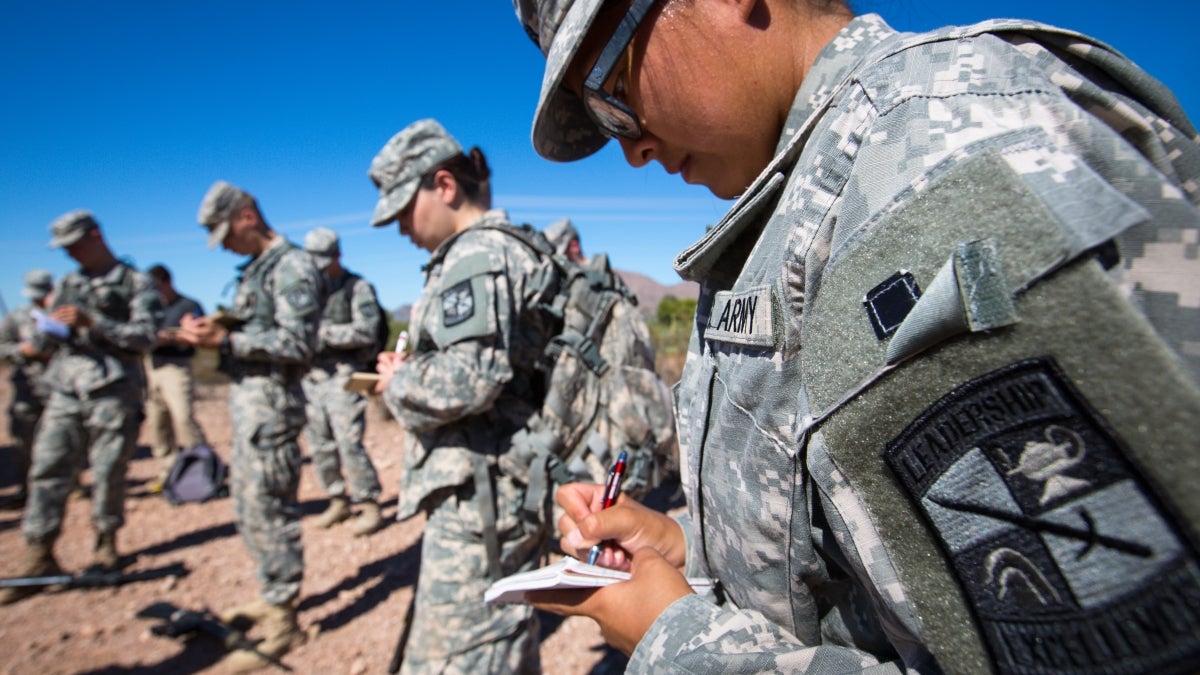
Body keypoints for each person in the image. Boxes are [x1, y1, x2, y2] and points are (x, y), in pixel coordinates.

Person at [515, 1, 1200, 673]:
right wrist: (677, 544)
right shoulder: (810, 199)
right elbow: (867, 558)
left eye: (612, 91)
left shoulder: (926, 155)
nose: (632, 147)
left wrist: (676, 641)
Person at [369, 119, 558, 673]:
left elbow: (471, 376)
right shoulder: (499, 249)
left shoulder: (476, 255)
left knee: (460, 655)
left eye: (405, 209)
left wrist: (395, 383)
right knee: (494, 640)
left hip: (484, 497)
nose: (401, 227)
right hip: (494, 488)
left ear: (444, 185)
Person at [175, 181, 322, 672]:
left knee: (271, 510)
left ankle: (284, 620)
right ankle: (271, 595)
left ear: (246, 217)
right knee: (249, 508)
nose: (227, 246)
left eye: (227, 234)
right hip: (248, 409)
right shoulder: (255, 271)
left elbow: (299, 343)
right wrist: (217, 329)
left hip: (273, 412)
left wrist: (229, 341)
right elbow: (255, 328)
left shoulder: (294, 265)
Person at [0, 211, 161, 606]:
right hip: (65, 388)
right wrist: (44, 335)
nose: (70, 253)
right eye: (64, 248)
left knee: (108, 471)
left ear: (95, 235)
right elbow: (46, 339)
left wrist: (95, 323)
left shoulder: (135, 282)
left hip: (112, 389)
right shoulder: (69, 284)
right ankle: (39, 552)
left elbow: (146, 336)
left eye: (75, 244)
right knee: (47, 467)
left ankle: (106, 545)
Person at [301, 226, 385, 537]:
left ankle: (368, 502)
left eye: (325, 259)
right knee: (320, 443)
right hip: (312, 377)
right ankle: (337, 498)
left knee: (349, 440)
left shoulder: (357, 287)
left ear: (338, 255)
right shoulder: (309, 289)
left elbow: (367, 329)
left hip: (344, 375)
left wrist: (323, 334)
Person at [142, 263, 209, 493]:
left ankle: (203, 468)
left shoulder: (188, 306)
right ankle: (168, 473)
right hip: (152, 367)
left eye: (155, 286)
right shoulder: (151, 309)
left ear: (167, 281)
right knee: (158, 423)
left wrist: (170, 338)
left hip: (177, 367)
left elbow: (202, 335)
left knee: (183, 418)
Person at [0, 269, 56, 509]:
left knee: (65, 442)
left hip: (59, 388)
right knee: (25, 442)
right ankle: (27, 490)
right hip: (27, 391)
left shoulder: (61, 315)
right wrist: (21, 351)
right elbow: (2, 348)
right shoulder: (17, 317)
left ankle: (68, 486)